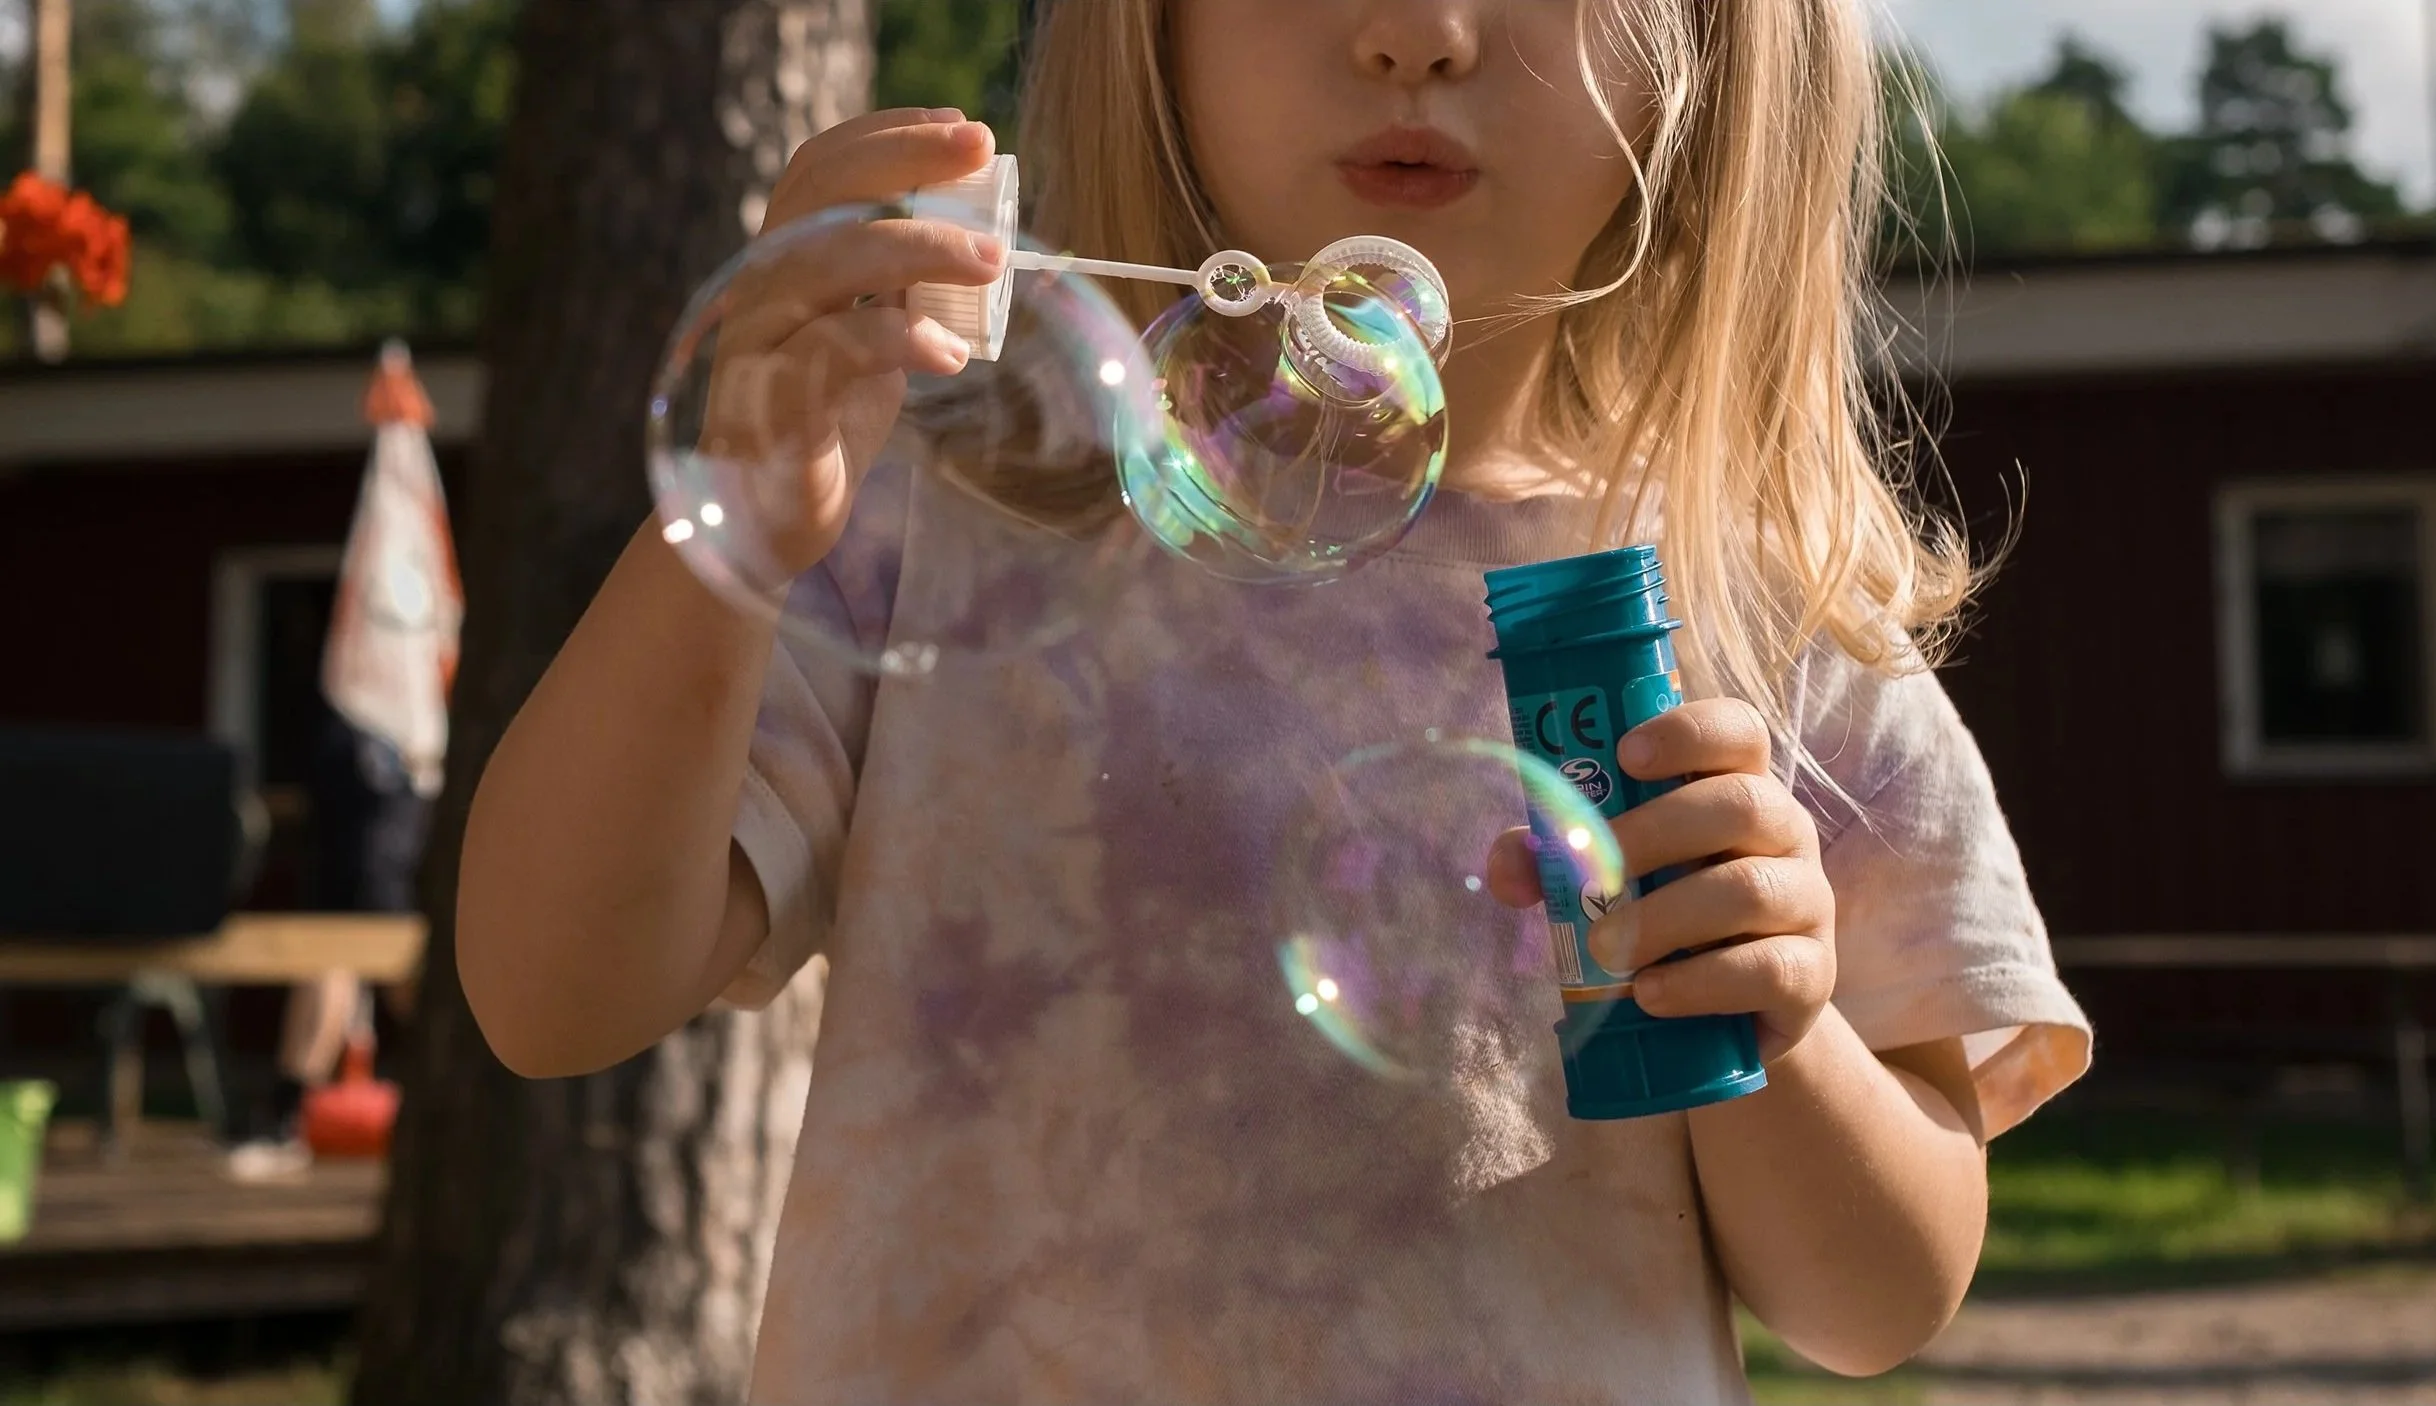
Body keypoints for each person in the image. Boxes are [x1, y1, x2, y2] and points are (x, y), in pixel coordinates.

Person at [458, 0, 2094, 1399]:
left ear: (1718, 53)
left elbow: (1877, 1302)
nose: (1412, 33)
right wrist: (740, 518)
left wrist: (1779, 1028)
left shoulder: (1753, 614)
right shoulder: (952, 510)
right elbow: (553, 990)